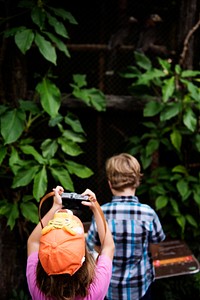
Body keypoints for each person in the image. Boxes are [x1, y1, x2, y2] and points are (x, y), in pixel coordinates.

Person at [86, 153, 166, 300]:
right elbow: (155, 250)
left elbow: (94, 248)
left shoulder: (101, 212)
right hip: (140, 287)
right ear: (137, 181)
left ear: (110, 183)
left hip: (109, 289)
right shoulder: (148, 213)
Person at [26, 185, 115, 300]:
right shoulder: (93, 293)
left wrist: (55, 207)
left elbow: (33, 242)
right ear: (83, 258)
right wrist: (95, 207)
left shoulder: (37, 289)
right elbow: (108, 246)